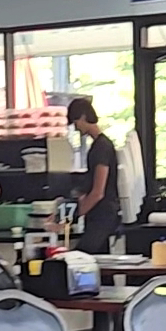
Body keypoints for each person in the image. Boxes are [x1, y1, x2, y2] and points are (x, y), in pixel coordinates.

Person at [67, 97, 120, 254]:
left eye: (76, 122)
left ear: (83, 117)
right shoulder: (99, 146)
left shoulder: (101, 148)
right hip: (100, 215)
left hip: (103, 216)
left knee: (80, 256)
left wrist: (76, 215)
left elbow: (98, 192)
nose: (76, 128)